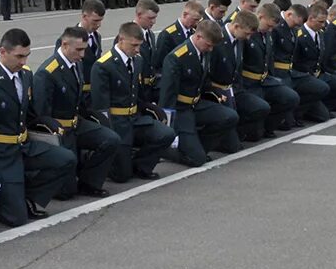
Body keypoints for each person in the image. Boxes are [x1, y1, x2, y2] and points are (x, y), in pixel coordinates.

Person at [0, 29, 75, 226]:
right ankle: (4, 202)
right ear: (3, 52)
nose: (23, 61)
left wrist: (47, 121)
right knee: (17, 218)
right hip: (2, 153)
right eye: (19, 56)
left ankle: (27, 195)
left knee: (66, 159)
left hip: (24, 145)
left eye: (26, 56)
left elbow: (28, 113)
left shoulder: (25, 75)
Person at [33, 27, 120, 198]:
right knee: (66, 193)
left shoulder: (76, 63)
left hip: (76, 124)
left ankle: (89, 182)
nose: (82, 55)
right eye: (78, 50)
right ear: (65, 44)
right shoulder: (47, 73)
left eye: (84, 50)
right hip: (59, 130)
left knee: (111, 139)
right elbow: (42, 113)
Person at [89, 22, 176, 182]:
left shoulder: (137, 61)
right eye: (134, 45)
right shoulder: (103, 66)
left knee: (166, 133)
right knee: (122, 177)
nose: (137, 50)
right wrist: (108, 132)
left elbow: (138, 93)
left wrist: (150, 107)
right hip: (116, 122)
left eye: (139, 46)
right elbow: (100, 106)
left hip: (134, 119)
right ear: (121, 40)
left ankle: (141, 165)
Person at [158, 19, 239, 166]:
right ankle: (169, 152)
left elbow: (203, 80)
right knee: (197, 160)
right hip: (181, 109)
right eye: (208, 45)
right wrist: (168, 126)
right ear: (198, 36)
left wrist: (214, 91)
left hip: (197, 104)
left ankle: (197, 144)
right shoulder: (176, 58)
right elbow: (167, 94)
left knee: (230, 117)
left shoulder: (204, 51)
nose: (210, 50)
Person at [208, 9, 270, 143]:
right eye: (246, 34)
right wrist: (215, 93)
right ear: (236, 26)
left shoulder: (239, 39)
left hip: (234, 89)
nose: (248, 38)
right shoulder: (217, 39)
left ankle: (237, 131)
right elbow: (207, 73)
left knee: (262, 107)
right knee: (232, 146)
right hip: (216, 92)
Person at [240, 3, 300, 139]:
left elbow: (269, 59)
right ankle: (250, 128)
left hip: (265, 80)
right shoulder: (247, 33)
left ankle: (268, 125)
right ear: (260, 17)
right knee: (255, 135)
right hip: (249, 82)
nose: (271, 29)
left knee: (291, 97)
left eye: (273, 27)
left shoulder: (267, 33)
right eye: (269, 26)